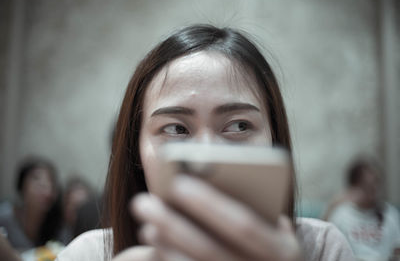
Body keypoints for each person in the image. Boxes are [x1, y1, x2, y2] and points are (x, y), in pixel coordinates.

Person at [56, 24, 354, 261]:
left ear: (274, 139)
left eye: (239, 126)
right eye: (176, 128)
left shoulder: (321, 249)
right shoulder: (87, 255)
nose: (208, 153)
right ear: (137, 152)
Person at [327, 157, 400, 261]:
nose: (373, 189)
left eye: (376, 182)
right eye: (366, 184)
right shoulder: (341, 215)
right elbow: (330, 249)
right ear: (354, 186)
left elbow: (397, 249)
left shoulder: (390, 213)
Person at [0, 158, 63, 252]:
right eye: (36, 179)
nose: (44, 186)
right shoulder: (4, 218)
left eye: (50, 181)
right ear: (22, 186)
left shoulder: (58, 226)